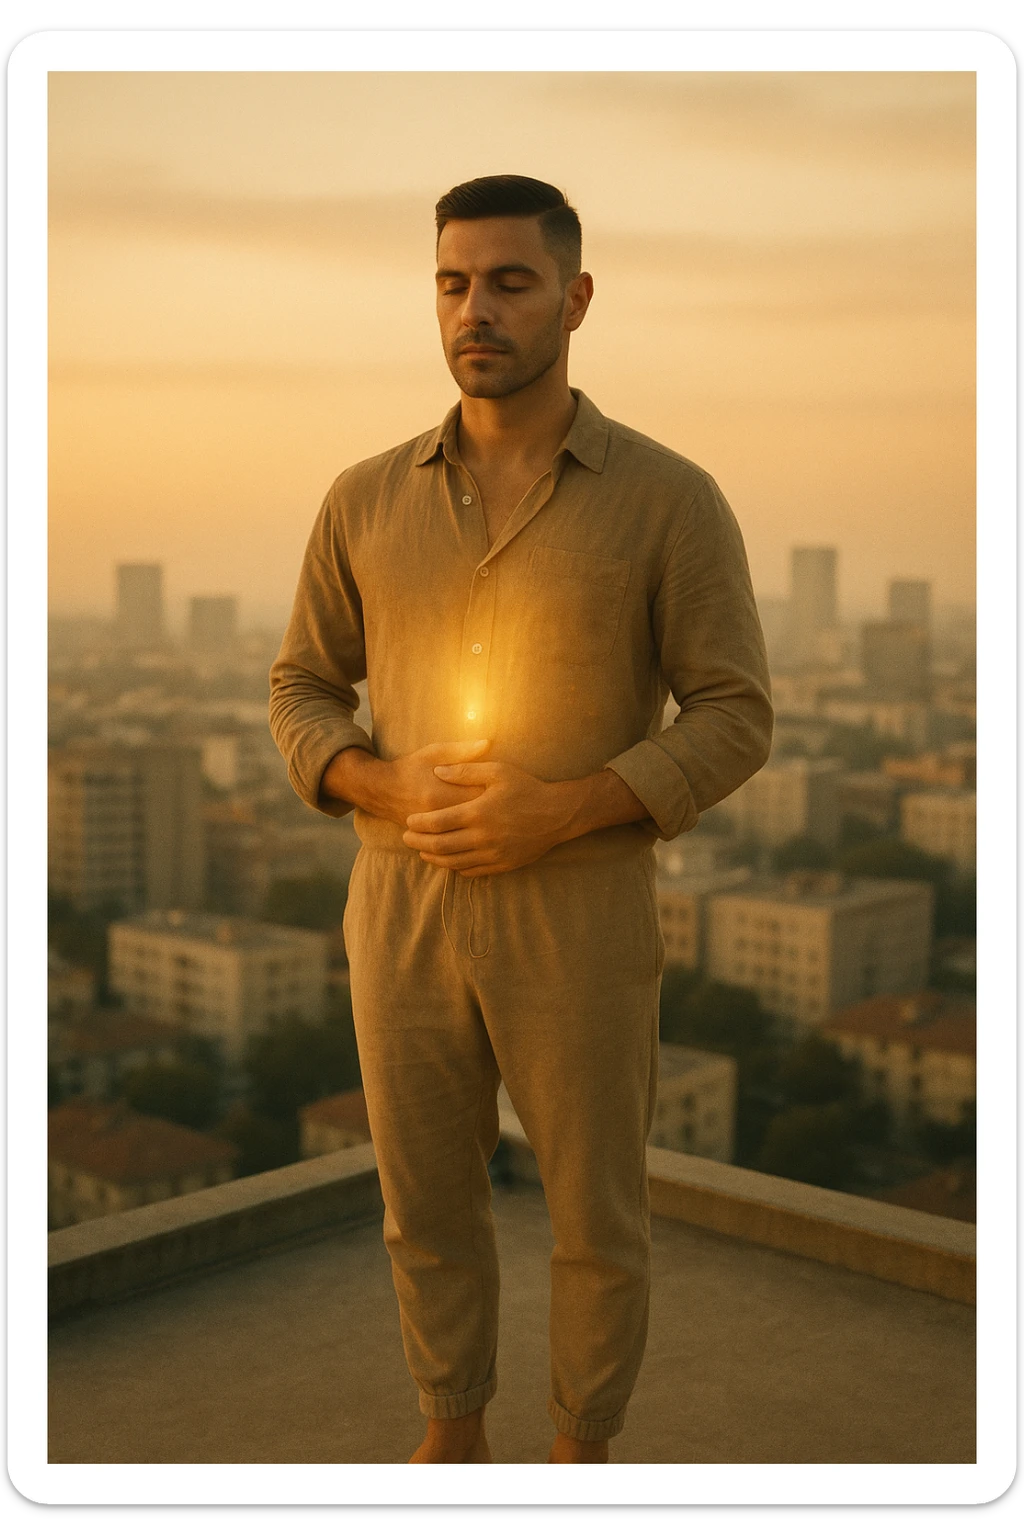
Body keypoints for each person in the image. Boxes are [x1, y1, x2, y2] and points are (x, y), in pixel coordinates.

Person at [269, 174, 773, 1464]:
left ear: (576, 298)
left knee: (594, 1215)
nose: (474, 310)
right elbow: (301, 688)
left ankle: (580, 1453)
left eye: (509, 281)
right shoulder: (362, 500)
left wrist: (560, 812)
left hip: (581, 907)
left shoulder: (671, 499)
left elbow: (733, 714)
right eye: (452, 283)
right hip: (400, 899)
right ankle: (453, 1434)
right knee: (424, 1199)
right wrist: (377, 783)